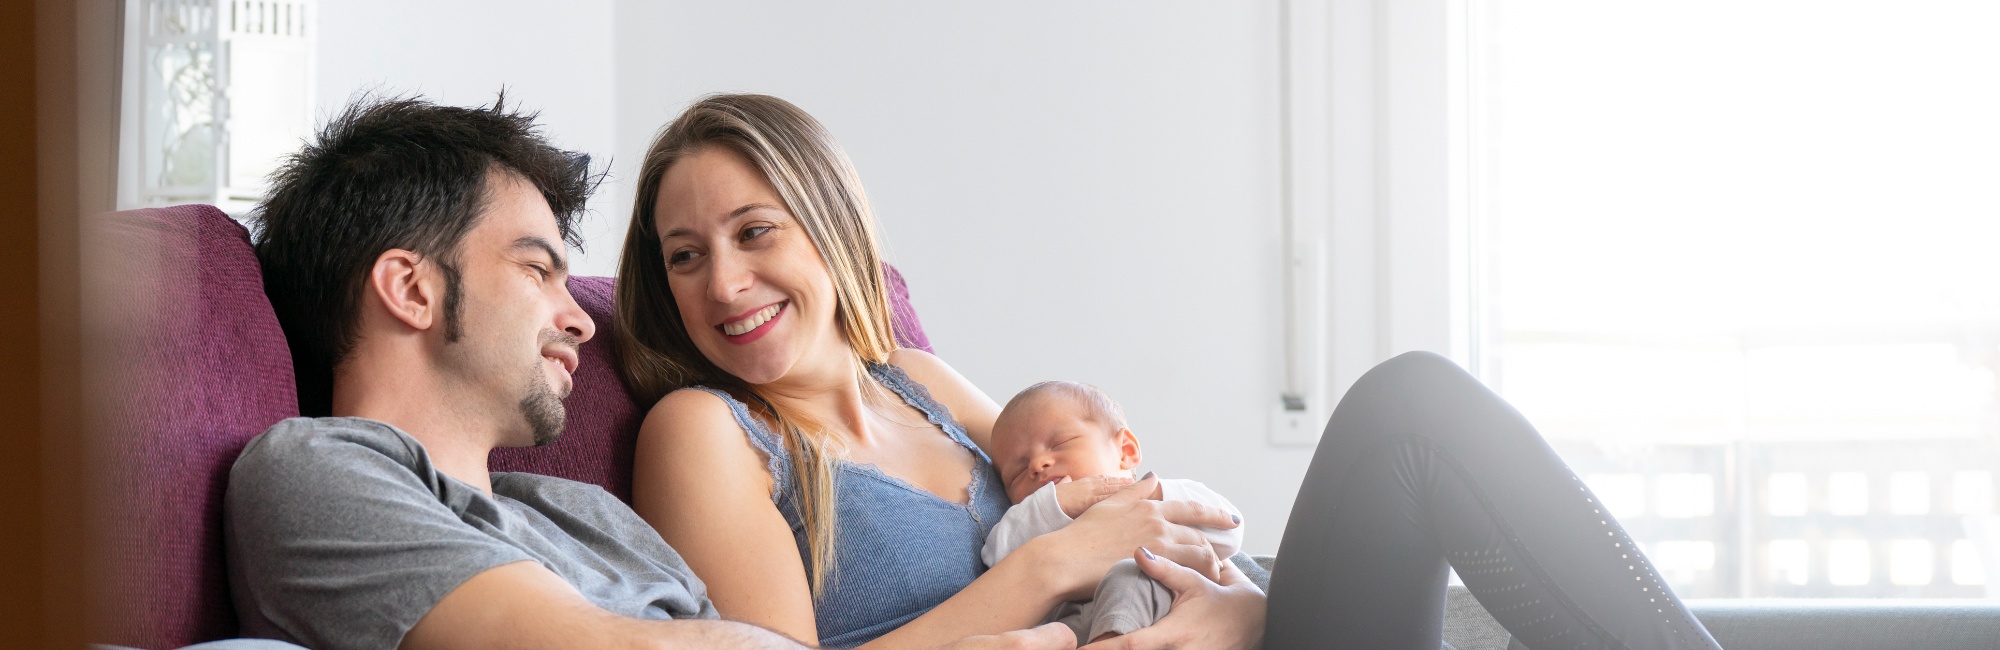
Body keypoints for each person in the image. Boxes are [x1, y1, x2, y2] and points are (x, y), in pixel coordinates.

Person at [618, 93, 1723, 650]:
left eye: (755, 232)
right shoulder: (703, 429)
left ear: (830, 232)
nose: (723, 283)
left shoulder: (916, 378)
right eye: (684, 256)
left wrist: (1246, 608)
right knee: (1409, 417)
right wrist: (1055, 565)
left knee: (1414, 408)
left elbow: (1117, 512)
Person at [225, 94, 1077, 650]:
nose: (581, 318)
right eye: (536, 270)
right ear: (411, 288)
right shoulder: (309, 471)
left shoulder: (580, 513)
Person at [980, 381, 1246, 644]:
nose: (1038, 465)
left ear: (1126, 451)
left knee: (1134, 571)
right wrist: (1050, 506)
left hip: (1171, 613)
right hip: (1069, 629)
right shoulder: (1031, 520)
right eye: (1017, 472)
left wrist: (1152, 494)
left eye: (1060, 442)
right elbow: (995, 560)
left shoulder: (1160, 499)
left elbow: (1229, 533)